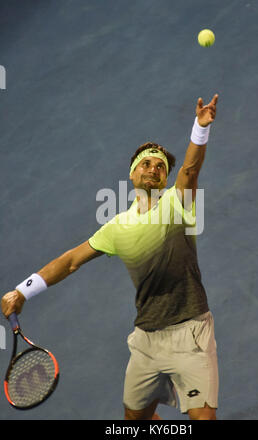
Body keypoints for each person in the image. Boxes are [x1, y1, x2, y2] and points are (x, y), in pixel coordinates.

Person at [1, 94, 219, 420]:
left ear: (165, 179)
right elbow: (70, 260)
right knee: (136, 419)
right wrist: (22, 291)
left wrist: (199, 128)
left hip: (191, 333)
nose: (154, 169)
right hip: (147, 337)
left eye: (161, 166)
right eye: (146, 163)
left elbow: (189, 169)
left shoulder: (178, 204)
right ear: (132, 175)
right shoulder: (116, 228)